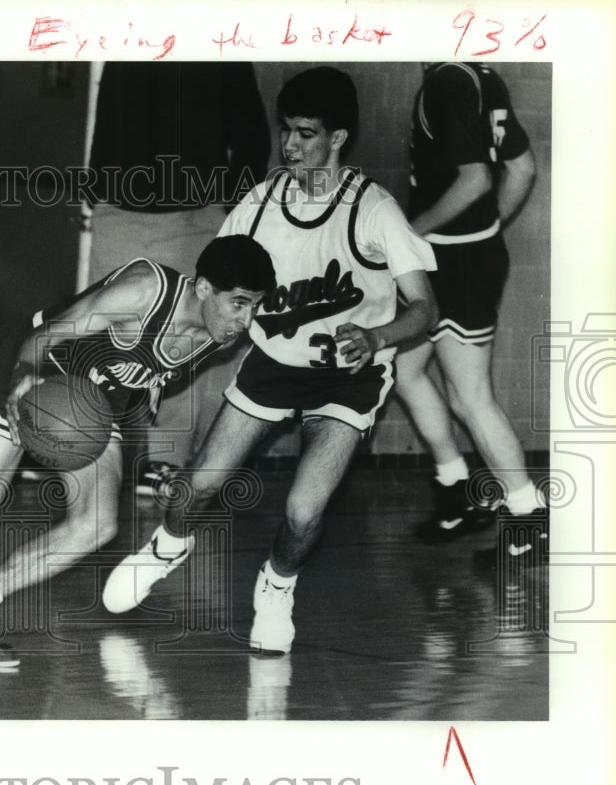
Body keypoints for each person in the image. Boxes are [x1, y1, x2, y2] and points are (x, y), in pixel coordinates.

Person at [102, 66, 439, 655]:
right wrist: (163, 359)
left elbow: (425, 310)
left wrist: (379, 338)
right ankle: (167, 546)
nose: (289, 145)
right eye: (285, 130)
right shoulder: (258, 206)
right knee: (195, 489)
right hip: (274, 363)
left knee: (304, 511)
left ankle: (277, 587)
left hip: (348, 376)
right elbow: (213, 299)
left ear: (338, 139)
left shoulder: (374, 210)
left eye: (306, 133)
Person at [0, 235, 275, 658]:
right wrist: (23, 384)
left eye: (254, 306)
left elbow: (142, 381)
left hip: (94, 403)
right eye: (238, 303)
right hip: (41, 368)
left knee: (96, 524)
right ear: (202, 288)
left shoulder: (217, 335)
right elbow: (45, 337)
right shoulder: (144, 293)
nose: (245, 319)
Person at [87, 62, 271, 494]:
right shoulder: (128, 37)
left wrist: (230, 209)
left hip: (194, 213)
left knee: (187, 341)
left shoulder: (220, 45)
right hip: (118, 210)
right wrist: (99, 191)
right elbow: (107, 120)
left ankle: (166, 461)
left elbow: (251, 136)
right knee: (101, 339)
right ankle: (93, 457)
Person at [394, 62, 544, 565]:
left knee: (470, 396)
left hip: (454, 262)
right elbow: (521, 168)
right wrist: (488, 229)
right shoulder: (483, 74)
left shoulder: (446, 82)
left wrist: (409, 234)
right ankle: (456, 489)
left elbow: (477, 178)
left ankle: (529, 519)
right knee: (405, 369)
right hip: (455, 257)